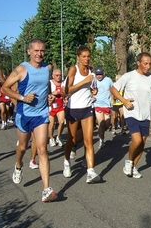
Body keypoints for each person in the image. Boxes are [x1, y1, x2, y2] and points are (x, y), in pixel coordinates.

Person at [2, 39, 57, 202]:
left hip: (40, 114)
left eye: (42, 51)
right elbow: (5, 87)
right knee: (22, 147)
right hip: (24, 114)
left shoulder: (48, 68)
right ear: (29, 52)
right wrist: (22, 98)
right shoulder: (21, 69)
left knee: (42, 149)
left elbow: (46, 84)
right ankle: (18, 165)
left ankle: (46, 189)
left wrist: (49, 95)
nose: (39, 54)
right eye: (36, 51)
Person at [110, 52, 151, 179]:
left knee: (142, 143)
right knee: (137, 141)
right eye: (145, 63)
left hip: (146, 114)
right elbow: (113, 89)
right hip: (132, 112)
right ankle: (129, 162)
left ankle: (133, 167)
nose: (148, 66)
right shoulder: (129, 76)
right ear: (138, 63)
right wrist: (124, 101)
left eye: (150, 64)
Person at [63, 45, 101, 184]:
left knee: (88, 140)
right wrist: (84, 82)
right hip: (73, 109)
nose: (86, 59)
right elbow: (66, 90)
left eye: (88, 56)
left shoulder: (91, 70)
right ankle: (66, 161)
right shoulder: (74, 69)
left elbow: (92, 87)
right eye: (83, 56)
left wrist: (93, 90)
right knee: (72, 140)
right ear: (78, 57)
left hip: (87, 108)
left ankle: (90, 172)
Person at [93, 67, 113, 148]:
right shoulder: (93, 81)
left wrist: (113, 98)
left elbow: (113, 89)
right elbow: (89, 90)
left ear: (103, 74)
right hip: (97, 104)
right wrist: (92, 96)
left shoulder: (108, 80)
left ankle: (101, 133)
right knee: (101, 123)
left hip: (107, 105)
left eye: (100, 74)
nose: (98, 76)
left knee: (107, 124)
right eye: (97, 74)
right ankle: (101, 140)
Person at [48, 69, 65, 147]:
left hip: (60, 106)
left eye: (60, 75)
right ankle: (51, 138)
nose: (59, 77)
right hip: (51, 106)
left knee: (61, 122)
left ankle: (58, 136)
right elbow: (46, 93)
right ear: (53, 76)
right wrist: (51, 94)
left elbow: (66, 92)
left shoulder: (63, 83)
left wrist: (60, 93)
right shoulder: (49, 83)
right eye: (57, 75)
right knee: (51, 124)